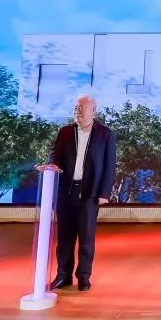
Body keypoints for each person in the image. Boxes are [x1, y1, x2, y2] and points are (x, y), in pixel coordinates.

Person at [48, 95, 116, 292]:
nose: (77, 111)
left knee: (86, 238)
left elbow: (110, 165)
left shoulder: (105, 134)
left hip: (90, 193)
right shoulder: (65, 132)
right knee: (65, 238)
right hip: (66, 191)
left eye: (82, 108)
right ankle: (63, 276)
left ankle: (84, 277)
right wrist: (52, 166)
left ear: (93, 110)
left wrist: (104, 192)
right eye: (75, 108)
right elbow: (55, 155)